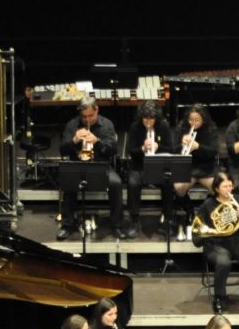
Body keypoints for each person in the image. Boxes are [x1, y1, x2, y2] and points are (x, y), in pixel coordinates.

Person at [58, 96, 126, 240]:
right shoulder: (72, 125)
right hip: (78, 166)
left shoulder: (106, 125)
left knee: (116, 183)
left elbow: (113, 150)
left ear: (97, 110)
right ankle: (67, 224)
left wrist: (97, 141)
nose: (87, 120)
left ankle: (117, 225)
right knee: (68, 181)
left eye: (91, 116)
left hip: (101, 166)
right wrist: (74, 140)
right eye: (84, 117)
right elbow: (62, 150)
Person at [195, 173, 239, 314]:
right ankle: (219, 298)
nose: (228, 189)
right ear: (217, 189)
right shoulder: (208, 205)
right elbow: (199, 228)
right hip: (216, 243)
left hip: (238, 241)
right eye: (225, 186)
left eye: (230, 186)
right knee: (224, 263)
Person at [124, 100, 175, 238]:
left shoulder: (163, 126)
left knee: (168, 181)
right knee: (133, 183)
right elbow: (131, 150)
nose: (148, 121)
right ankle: (135, 220)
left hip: (158, 166)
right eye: (145, 118)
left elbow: (171, 149)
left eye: (151, 118)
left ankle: (167, 219)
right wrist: (142, 148)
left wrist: (158, 147)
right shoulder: (135, 127)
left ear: (156, 118)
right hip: (139, 166)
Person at [172, 104, 219, 241]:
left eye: (197, 119)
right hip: (188, 167)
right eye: (191, 119)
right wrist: (182, 144)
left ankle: (204, 212)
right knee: (178, 187)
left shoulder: (211, 128)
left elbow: (213, 152)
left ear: (203, 119)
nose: (193, 123)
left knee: (216, 187)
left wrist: (198, 147)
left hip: (206, 167)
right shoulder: (182, 128)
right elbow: (174, 150)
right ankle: (189, 209)